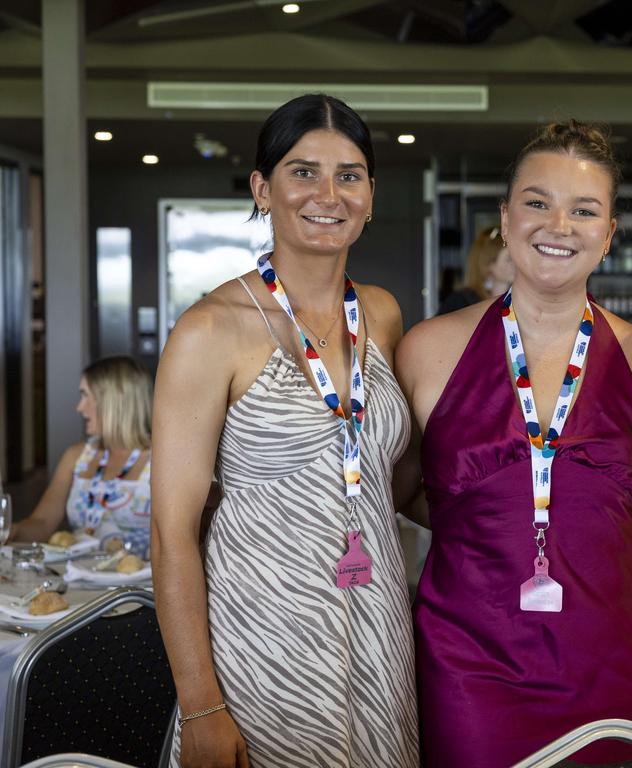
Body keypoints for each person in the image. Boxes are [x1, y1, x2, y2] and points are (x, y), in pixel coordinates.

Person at [396, 120, 632, 768]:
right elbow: (395, 491)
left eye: (584, 210)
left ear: (608, 234)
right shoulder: (427, 349)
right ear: (505, 216)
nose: (559, 225)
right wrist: (488, 527)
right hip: (469, 657)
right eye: (537, 202)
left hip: (612, 651)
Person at [152, 94, 418, 768]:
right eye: (303, 172)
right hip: (263, 639)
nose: (328, 194)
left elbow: (400, 476)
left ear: (371, 194)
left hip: (378, 625)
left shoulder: (382, 315)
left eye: (350, 175)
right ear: (262, 189)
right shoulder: (209, 330)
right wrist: (201, 704)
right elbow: (170, 531)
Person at [12, 356, 152, 556]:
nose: (79, 407)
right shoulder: (76, 456)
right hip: (80, 578)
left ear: (115, 399)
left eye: (86, 396)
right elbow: (42, 523)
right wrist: (13, 530)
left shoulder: (160, 461)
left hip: (137, 583)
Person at [437, 226, 516, 314]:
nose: (516, 263)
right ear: (489, 264)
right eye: (509, 259)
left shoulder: (518, 300)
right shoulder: (461, 302)